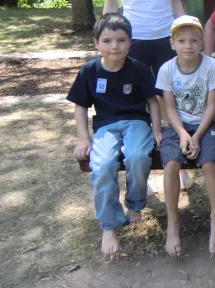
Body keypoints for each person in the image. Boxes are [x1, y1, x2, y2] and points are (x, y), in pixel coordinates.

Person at [103, 0, 192, 190]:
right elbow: (111, 4)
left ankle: (179, 161)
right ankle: (140, 165)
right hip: (134, 40)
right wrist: (108, 40)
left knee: (174, 98)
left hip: (167, 39)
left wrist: (188, 30)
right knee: (138, 100)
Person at [68, 14, 162, 255]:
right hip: (105, 126)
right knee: (102, 165)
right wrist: (84, 138)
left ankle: (135, 204)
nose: (114, 46)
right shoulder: (89, 70)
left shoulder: (139, 69)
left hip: (136, 123)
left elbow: (153, 101)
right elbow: (80, 106)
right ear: (96, 43)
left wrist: (157, 129)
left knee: (138, 156)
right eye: (107, 40)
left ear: (130, 42)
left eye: (121, 40)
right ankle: (108, 225)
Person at [156, 16, 215, 256]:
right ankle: (173, 223)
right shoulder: (166, 69)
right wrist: (184, 134)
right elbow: (170, 108)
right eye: (182, 40)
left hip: (207, 125)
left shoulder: (212, 67)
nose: (188, 45)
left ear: (202, 43)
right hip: (178, 127)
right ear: (172, 43)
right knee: (171, 164)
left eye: (194, 40)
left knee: (209, 164)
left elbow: (212, 106)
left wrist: (197, 137)